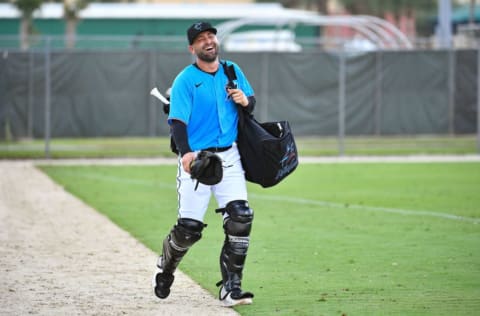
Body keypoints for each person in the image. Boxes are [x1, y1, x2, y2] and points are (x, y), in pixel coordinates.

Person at [152, 21, 257, 307]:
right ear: (192, 48)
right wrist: (186, 154)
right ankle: (166, 267)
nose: (208, 41)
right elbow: (177, 121)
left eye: (211, 35)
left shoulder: (232, 71)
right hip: (198, 158)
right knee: (188, 230)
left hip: (230, 156)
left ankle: (231, 288)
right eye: (201, 39)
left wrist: (244, 100)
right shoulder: (186, 79)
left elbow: (251, 102)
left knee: (240, 218)